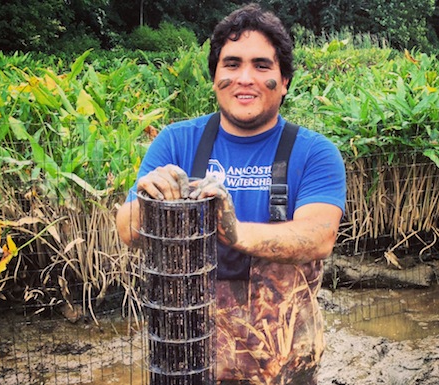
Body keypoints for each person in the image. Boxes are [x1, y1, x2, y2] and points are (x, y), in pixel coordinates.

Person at [116, 3, 346, 384]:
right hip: (188, 357)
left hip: (285, 365)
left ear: (284, 80)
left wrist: (234, 230)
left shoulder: (314, 152)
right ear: (215, 77)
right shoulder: (176, 142)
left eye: (261, 65)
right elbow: (126, 231)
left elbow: (319, 237)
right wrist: (148, 202)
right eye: (232, 64)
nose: (245, 78)